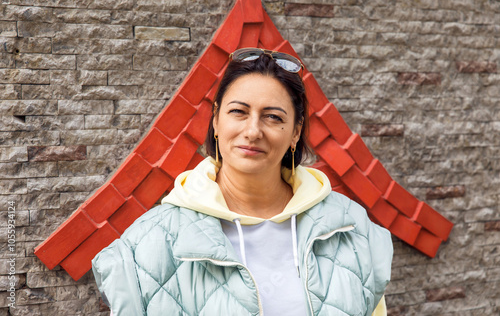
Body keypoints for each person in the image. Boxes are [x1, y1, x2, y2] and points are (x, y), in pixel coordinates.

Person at [92, 48, 393, 316]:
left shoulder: (351, 227)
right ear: (216, 121)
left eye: (273, 117)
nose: (252, 131)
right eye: (238, 111)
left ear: (296, 132)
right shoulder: (149, 242)